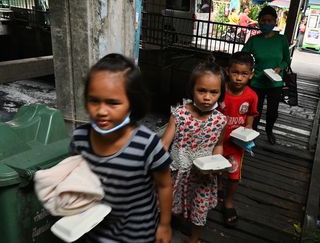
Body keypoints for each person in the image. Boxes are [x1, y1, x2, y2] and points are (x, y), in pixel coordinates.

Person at [70, 53, 173, 243]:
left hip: (137, 233)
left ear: (132, 104)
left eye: (112, 103)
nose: (101, 111)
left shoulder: (148, 145)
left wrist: (165, 225)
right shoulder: (80, 139)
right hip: (93, 230)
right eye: (94, 100)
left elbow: (164, 185)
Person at [161, 60, 227, 243]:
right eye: (202, 90)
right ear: (192, 89)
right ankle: (181, 221)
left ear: (221, 93)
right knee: (177, 203)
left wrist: (218, 162)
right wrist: (157, 164)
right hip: (179, 172)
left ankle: (194, 238)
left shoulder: (220, 120)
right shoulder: (180, 114)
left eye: (214, 92)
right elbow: (164, 143)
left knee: (199, 208)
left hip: (203, 175)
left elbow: (218, 145)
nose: (207, 97)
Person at [218, 52, 258, 227]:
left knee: (233, 176)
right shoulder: (219, 91)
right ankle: (215, 191)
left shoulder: (251, 96)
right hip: (216, 142)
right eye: (235, 72)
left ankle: (228, 202)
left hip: (236, 145)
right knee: (216, 170)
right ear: (227, 71)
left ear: (251, 74)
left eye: (244, 74)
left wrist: (248, 129)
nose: (239, 78)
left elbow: (251, 114)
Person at [242, 5, 291, 145]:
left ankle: (269, 131)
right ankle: (253, 132)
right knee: (255, 111)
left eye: (269, 20)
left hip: (275, 82)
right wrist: (250, 69)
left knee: (272, 112)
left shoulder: (281, 40)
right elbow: (242, 57)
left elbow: (287, 60)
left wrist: (280, 67)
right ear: (259, 21)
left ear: (275, 21)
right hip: (257, 82)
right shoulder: (254, 40)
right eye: (263, 20)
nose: (266, 23)